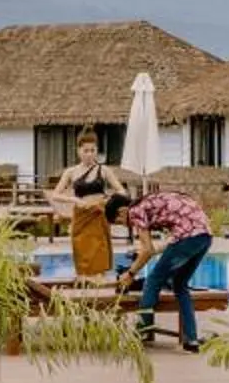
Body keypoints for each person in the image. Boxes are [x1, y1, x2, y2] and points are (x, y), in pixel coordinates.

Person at [123, 187, 214, 352]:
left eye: (118, 219)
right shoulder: (157, 201)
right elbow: (166, 243)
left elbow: (148, 250)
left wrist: (130, 273)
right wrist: (147, 252)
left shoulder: (135, 210)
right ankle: (191, 339)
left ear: (122, 210)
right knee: (180, 284)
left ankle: (141, 332)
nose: (126, 224)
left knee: (153, 279)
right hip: (205, 236)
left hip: (187, 237)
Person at [52, 131, 129, 278]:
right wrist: (75, 200)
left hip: (99, 216)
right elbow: (56, 195)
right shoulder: (71, 172)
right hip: (81, 218)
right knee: (82, 258)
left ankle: (100, 293)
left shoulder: (104, 170)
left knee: (99, 255)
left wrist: (106, 200)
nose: (89, 154)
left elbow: (122, 191)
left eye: (93, 150)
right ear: (78, 150)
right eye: (85, 150)